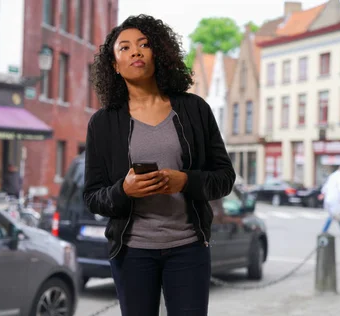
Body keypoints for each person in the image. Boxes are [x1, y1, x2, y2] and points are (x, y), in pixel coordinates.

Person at [83, 14, 235, 316]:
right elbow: (92, 197)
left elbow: (224, 178)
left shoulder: (195, 109)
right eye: (124, 48)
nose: (136, 51)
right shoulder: (102, 123)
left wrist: (185, 181)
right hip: (132, 252)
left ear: (159, 53)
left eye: (144, 44)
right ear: (114, 65)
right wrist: (124, 190)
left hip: (189, 247)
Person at [319, 165, 340, 235]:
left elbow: (326, 186)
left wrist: (323, 193)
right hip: (336, 199)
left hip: (329, 198)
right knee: (333, 214)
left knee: (337, 215)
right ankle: (324, 230)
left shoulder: (332, 176)